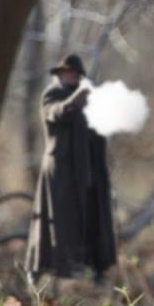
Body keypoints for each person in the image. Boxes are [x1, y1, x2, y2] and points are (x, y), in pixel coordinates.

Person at [25, 54, 117, 284]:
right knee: (53, 222)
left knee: (91, 219)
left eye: (76, 74)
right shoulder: (52, 94)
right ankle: (38, 269)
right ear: (60, 74)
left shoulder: (89, 100)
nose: (72, 76)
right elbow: (56, 113)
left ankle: (95, 268)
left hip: (87, 171)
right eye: (68, 73)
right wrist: (78, 98)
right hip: (61, 172)